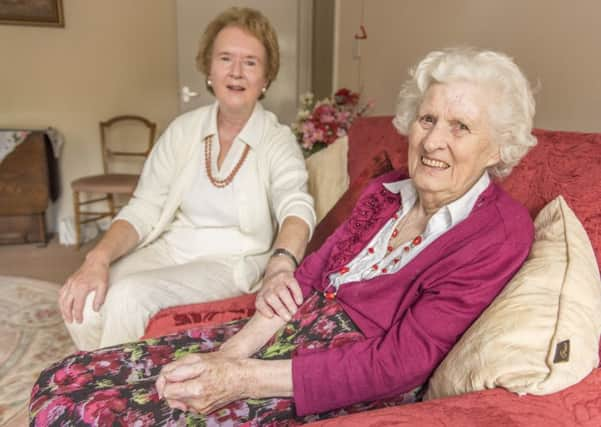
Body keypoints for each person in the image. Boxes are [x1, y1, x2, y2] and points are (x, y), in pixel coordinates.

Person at [31, 47, 538, 425]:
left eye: (460, 127)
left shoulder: (498, 233)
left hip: (337, 377)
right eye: (428, 119)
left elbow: (400, 364)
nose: (433, 141)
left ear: (498, 149)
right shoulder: (387, 192)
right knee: (60, 380)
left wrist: (242, 379)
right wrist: (230, 354)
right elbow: (310, 278)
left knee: (79, 413)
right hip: (274, 338)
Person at [59, 7, 315, 350]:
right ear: (209, 69)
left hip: (230, 262)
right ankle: (99, 375)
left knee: (128, 299)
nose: (236, 72)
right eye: (225, 58)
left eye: (250, 62)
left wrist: (282, 263)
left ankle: (107, 392)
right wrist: (97, 258)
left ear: (266, 78)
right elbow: (144, 208)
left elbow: (296, 205)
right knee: (87, 299)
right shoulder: (183, 131)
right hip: (171, 247)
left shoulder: (276, 140)